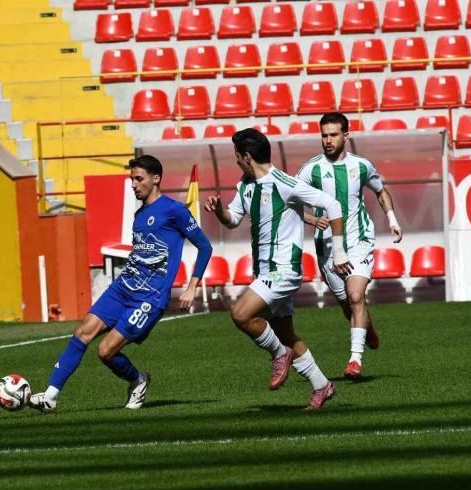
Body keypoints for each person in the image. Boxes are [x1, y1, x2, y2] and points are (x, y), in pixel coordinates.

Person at [29, 155, 213, 413]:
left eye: (139, 179)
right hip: (122, 288)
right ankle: (50, 396)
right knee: (82, 332)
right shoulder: (139, 215)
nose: (134, 185)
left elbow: (205, 247)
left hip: (149, 298)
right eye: (131, 179)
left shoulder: (175, 211)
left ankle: (138, 380)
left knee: (105, 351)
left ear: (156, 178)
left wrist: (192, 287)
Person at [205, 128, 351, 410]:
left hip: (283, 270)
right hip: (264, 272)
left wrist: (340, 252)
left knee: (241, 314)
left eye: (237, 156)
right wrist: (220, 209)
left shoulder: (285, 183)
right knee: (285, 333)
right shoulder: (245, 185)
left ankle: (278, 354)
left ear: (248, 157)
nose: (236, 161)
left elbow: (332, 205)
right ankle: (322, 385)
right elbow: (232, 219)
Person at [297, 112, 403, 380]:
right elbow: (289, 201)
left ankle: (355, 360)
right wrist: (312, 219)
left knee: (355, 296)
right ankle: (366, 326)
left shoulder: (362, 165)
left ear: (345, 136)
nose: (328, 140)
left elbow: (380, 190)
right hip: (327, 247)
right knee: (348, 305)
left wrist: (392, 219)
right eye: (324, 135)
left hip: (359, 241)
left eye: (333, 135)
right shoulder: (311, 169)